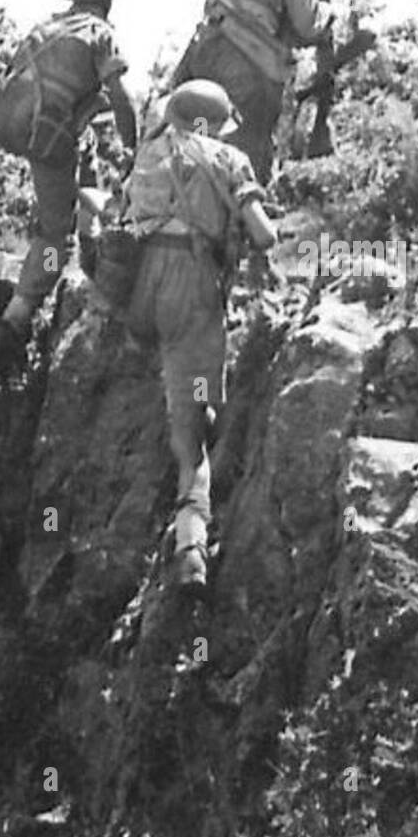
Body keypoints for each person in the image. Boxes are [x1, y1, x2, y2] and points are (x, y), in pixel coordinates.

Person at [119, 79, 277, 591]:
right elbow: (264, 233)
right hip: (192, 294)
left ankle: (192, 400)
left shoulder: (148, 154)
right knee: (191, 441)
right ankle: (191, 545)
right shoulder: (229, 159)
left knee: (188, 386)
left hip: (140, 293)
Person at [0, 0, 140, 368]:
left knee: (81, 159)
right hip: (46, 134)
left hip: (12, 124)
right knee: (56, 236)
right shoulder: (98, 33)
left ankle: (92, 259)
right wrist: (134, 148)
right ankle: (17, 317)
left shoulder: (46, 28)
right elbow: (121, 99)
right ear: (106, 1)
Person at [175, 0, 334, 184]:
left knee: (204, 134)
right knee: (249, 142)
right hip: (249, 62)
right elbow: (307, 23)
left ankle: (199, 206)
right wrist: (327, 12)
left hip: (205, 58)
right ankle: (247, 217)